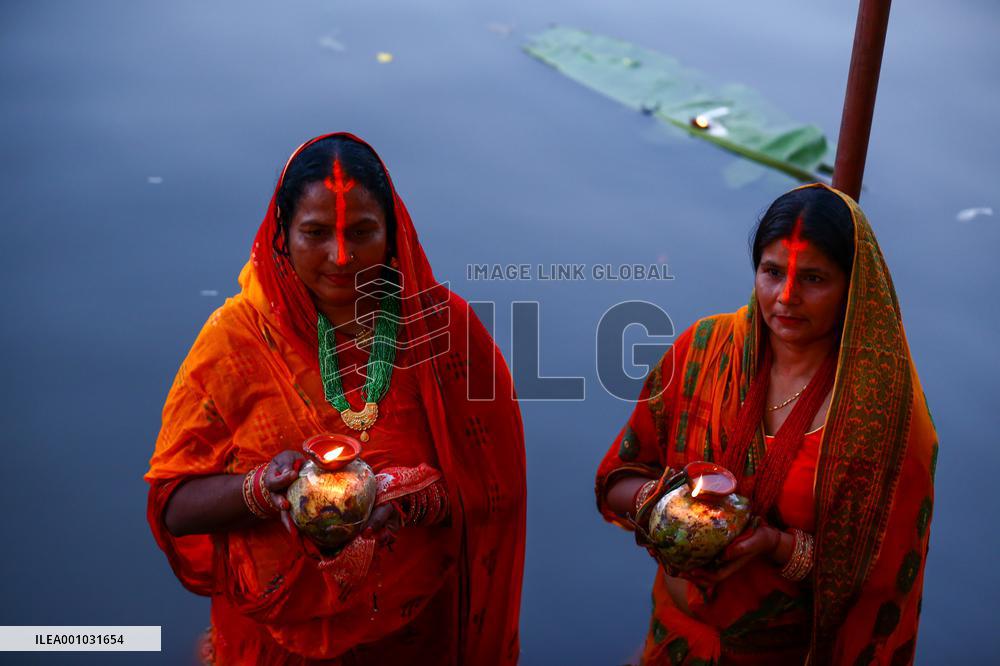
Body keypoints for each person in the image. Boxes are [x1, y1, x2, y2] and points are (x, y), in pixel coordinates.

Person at [146, 133, 526, 665]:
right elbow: (175, 507)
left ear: (393, 234)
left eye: (362, 232)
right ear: (282, 234)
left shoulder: (445, 331)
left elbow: (494, 492)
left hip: (413, 638)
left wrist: (409, 498)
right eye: (316, 233)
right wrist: (262, 489)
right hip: (272, 647)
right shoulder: (236, 340)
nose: (341, 256)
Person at [596, 184, 936, 665]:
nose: (786, 297)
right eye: (772, 272)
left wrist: (777, 546)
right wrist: (659, 504)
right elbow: (616, 479)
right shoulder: (704, 350)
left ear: (853, 289)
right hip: (672, 639)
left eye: (814, 279)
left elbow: (875, 578)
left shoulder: (876, 413)